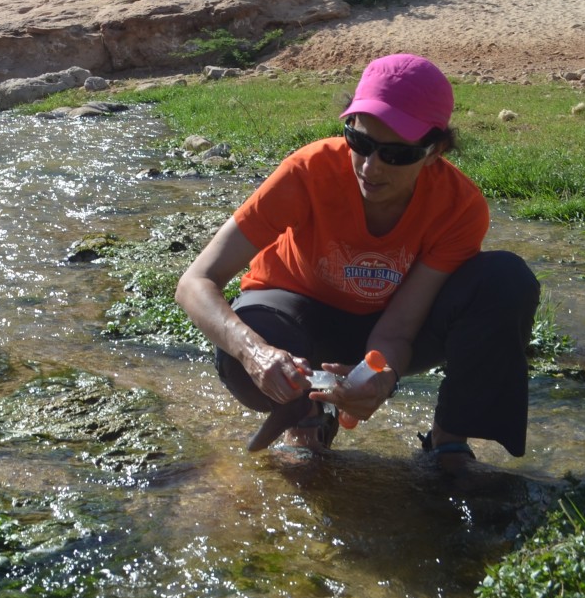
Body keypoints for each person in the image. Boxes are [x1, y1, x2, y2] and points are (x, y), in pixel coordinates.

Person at [173, 53, 539, 469]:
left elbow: (400, 327)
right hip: (299, 320)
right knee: (252, 327)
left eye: (396, 154)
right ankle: (307, 422)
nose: (371, 167)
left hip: (394, 325)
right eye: (360, 143)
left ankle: (449, 440)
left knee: (505, 280)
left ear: (435, 151)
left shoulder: (459, 207)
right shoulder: (307, 172)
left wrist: (380, 376)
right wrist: (252, 351)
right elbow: (195, 282)